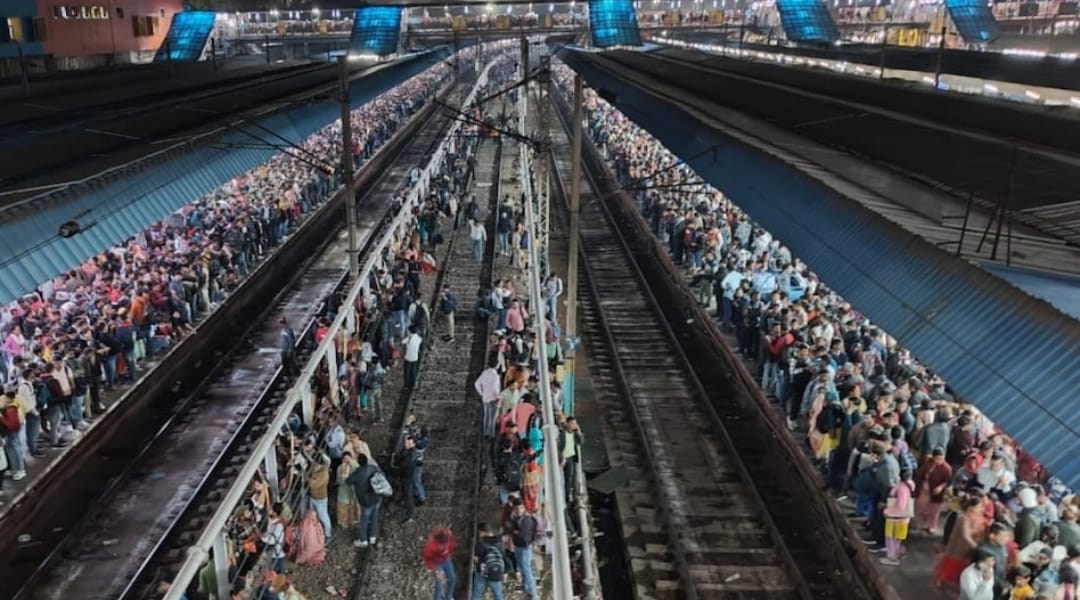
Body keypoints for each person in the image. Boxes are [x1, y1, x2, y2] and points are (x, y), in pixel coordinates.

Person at [506, 496, 539, 600]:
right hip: (518, 546)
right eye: (517, 508)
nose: (519, 510)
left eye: (521, 508)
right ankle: (525, 587)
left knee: (526, 570)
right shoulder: (514, 517)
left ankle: (533, 593)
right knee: (521, 567)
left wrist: (514, 531)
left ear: (524, 507)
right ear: (514, 508)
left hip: (525, 547)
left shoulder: (527, 520)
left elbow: (522, 535)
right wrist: (514, 531)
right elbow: (510, 527)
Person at [880, 468, 915, 565]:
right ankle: (899, 552)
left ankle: (892, 557)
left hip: (895, 517)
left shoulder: (902, 488)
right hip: (904, 517)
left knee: (891, 537)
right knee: (898, 537)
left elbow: (900, 506)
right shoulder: (911, 484)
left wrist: (887, 511)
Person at [347, 453, 382, 547]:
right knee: (374, 518)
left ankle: (363, 540)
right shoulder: (373, 468)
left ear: (358, 462)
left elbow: (348, 481)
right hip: (376, 497)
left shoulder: (358, 473)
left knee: (364, 520)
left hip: (366, 501)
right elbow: (381, 474)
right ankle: (372, 537)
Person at [472, 522, 506, 600]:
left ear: (482, 532)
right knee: (498, 595)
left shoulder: (480, 544)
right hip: (495, 573)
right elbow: (502, 555)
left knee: (476, 595)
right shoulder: (500, 542)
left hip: (482, 573)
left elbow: (476, 559)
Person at [423, 527, 457, 600]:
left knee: (452, 578)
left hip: (447, 560)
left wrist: (449, 553)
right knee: (439, 583)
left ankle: (449, 596)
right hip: (437, 563)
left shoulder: (449, 536)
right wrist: (435, 570)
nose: (444, 547)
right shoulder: (430, 546)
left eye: (446, 545)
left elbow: (452, 545)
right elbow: (428, 559)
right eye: (442, 546)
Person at [474, 360, 501, 439]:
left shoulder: (484, 373)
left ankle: (485, 433)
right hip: (493, 398)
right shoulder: (495, 376)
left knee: (486, 416)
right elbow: (495, 388)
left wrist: (481, 393)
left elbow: (477, 384)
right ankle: (491, 434)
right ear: (497, 366)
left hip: (485, 398)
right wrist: (498, 396)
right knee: (492, 417)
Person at [403, 326, 423, 391]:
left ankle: (406, 385)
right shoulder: (419, 338)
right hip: (415, 358)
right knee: (413, 372)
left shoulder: (410, 338)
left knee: (407, 372)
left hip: (408, 358)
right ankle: (413, 385)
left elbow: (403, 342)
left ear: (410, 332)